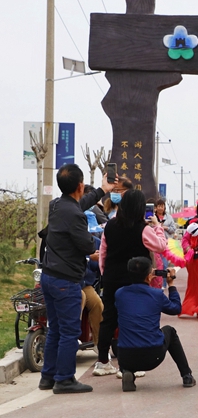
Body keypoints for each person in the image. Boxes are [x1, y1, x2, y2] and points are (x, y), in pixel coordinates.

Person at [39, 164, 113, 393]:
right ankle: (64, 379)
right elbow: (85, 244)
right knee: (70, 332)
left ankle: (48, 377)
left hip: (49, 277)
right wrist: (98, 244)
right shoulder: (75, 215)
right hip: (66, 281)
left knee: (56, 329)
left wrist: (102, 190)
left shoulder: (57, 205)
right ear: (80, 185)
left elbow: (77, 206)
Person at [94, 190, 168, 377]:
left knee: (109, 319)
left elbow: (103, 253)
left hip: (111, 278)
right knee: (133, 319)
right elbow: (161, 246)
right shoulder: (142, 229)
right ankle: (129, 365)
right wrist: (157, 226)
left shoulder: (110, 226)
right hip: (134, 281)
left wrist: (106, 275)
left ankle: (102, 361)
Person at [115, 257, 195, 391]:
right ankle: (186, 375)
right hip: (153, 355)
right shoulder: (156, 294)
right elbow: (176, 309)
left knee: (127, 332)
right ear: (149, 276)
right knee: (170, 330)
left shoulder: (119, 294)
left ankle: (127, 371)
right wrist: (171, 285)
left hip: (125, 356)